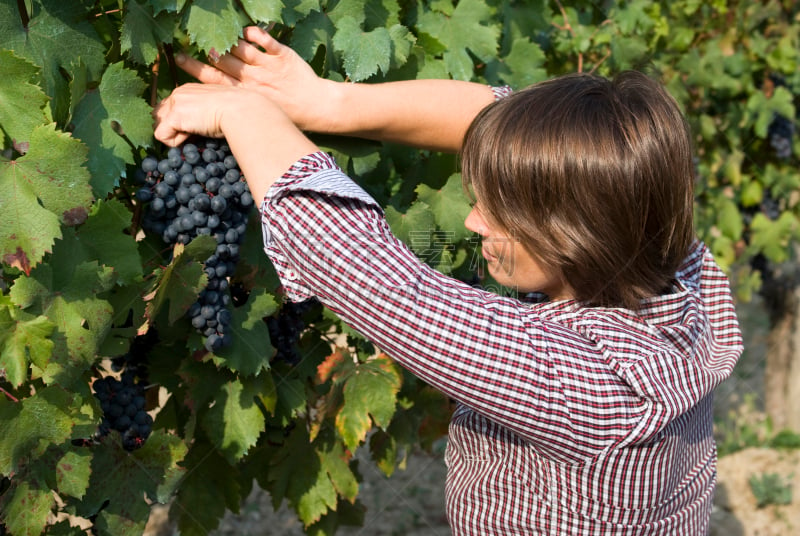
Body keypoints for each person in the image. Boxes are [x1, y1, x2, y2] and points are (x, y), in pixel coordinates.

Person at [153, 26, 743, 535]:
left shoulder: (594, 387)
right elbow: (509, 124)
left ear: (574, 233)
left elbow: (380, 285)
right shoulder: (676, 270)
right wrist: (328, 104)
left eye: (499, 210)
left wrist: (246, 114)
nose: (471, 219)